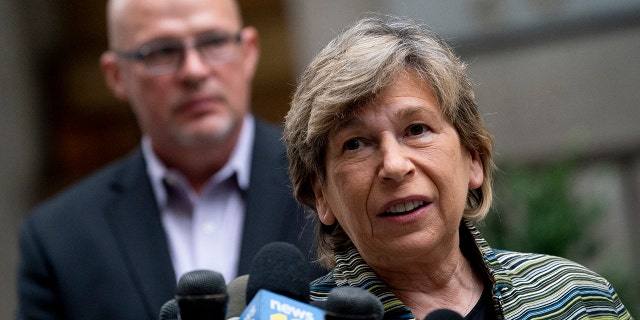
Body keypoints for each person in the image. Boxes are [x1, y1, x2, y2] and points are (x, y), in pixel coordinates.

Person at [283, 15, 632, 319]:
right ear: (321, 195)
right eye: (355, 144)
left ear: (474, 158)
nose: (394, 165)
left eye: (416, 130)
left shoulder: (576, 298)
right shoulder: (297, 317)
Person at [16, 0, 319, 319]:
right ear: (117, 75)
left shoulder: (327, 179)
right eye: (161, 51)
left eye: (214, 41)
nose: (194, 70)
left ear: (249, 52)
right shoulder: (59, 239)